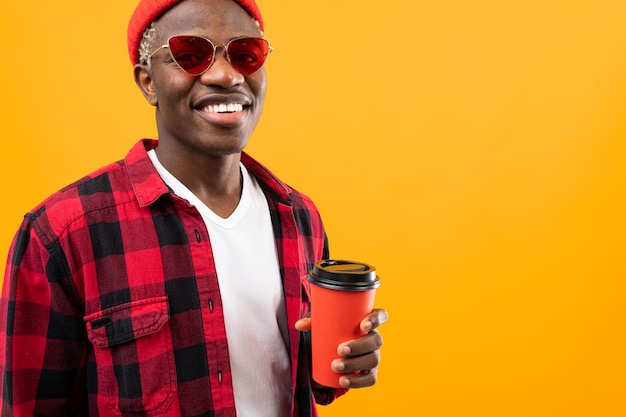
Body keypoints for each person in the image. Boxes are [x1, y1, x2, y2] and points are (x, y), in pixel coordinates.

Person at [0, 0, 388, 415]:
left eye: (245, 55)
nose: (225, 74)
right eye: (190, 56)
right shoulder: (63, 233)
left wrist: (346, 360)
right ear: (148, 82)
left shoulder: (298, 216)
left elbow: (297, 377)